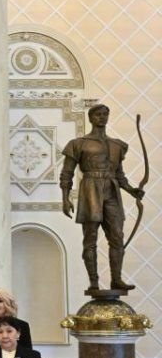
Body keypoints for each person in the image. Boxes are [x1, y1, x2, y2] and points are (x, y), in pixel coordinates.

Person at [60, 103, 145, 291]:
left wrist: (132, 190)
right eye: (98, 114)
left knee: (117, 237)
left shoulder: (117, 145)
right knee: (90, 239)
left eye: (105, 114)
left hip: (112, 192)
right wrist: (65, 198)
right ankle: (94, 282)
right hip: (90, 190)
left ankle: (116, 279)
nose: (102, 117)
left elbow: (119, 175)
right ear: (91, 118)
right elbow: (67, 173)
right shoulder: (78, 143)